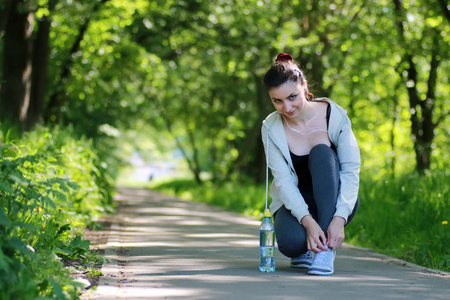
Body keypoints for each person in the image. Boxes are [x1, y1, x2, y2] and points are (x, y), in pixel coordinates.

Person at [261, 53, 360, 276]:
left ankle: (324, 250)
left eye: (292, 97)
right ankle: (309, 244)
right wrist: (308, 223)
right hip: (295, 201)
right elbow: (284, 182)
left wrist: (339, 218)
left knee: (322, 152)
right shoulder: (270, 128)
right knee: (290, 243)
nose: (287, 107)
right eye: (278, 100)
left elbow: (351, 171)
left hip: (333, 199)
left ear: (304, 86)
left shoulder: (334, 116)